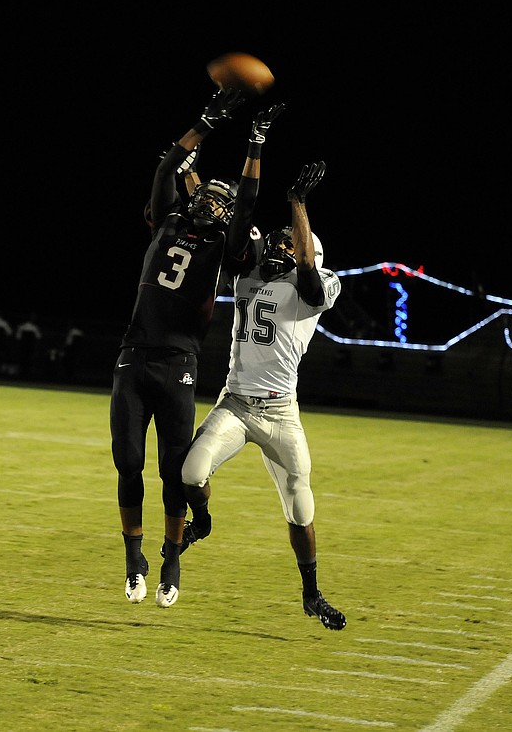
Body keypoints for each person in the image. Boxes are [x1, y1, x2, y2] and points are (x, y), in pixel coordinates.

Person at [111, 87, 284, 608]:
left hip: (179, 364)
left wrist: (255, 143)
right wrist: (204, 124)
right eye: (207, 192)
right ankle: (132, 558)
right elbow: (167, 171)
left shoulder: (223, 246)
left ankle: (171, 559)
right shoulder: (167, 220)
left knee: (171, 470)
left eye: (222, 199)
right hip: (133, 357)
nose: (212, 199)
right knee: (127, 462)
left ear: (230, 215)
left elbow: (249, 201)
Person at [178, 161, 347, 630]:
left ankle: (311, 595)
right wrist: (189, 175)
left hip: (280, 413)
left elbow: (310, 274)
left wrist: (298, 203)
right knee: (191, 473)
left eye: (287, 242)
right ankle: (204, 520)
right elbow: (218, 224)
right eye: (277, 240)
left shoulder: (315, 283)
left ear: (304, 250)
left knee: (301, 505)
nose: (277, 245)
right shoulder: (249, 274)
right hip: (235, 403)